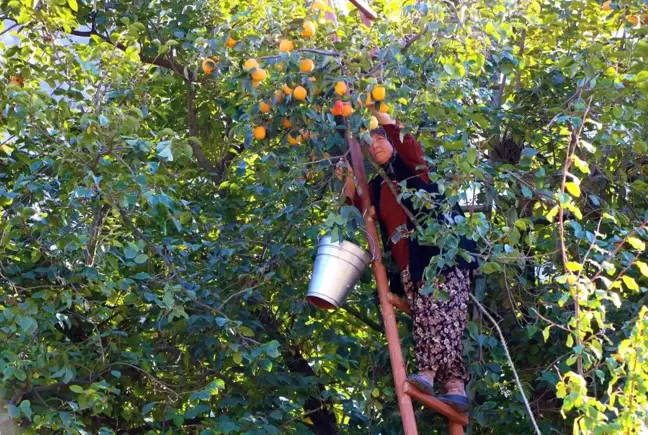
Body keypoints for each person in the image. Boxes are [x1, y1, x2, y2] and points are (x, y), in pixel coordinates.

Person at [337, 107, 478, 413]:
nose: (375, 145)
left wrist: (377, 105)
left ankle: (427, 371)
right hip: (409, 266)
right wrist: (345, 173)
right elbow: (358, 205)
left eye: (379, 138)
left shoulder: (412, 166)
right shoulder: (378, 186)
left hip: (442, 254)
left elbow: (405, 141)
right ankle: (455, 386)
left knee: (439, 313)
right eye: (369, 142)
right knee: (438, 322)